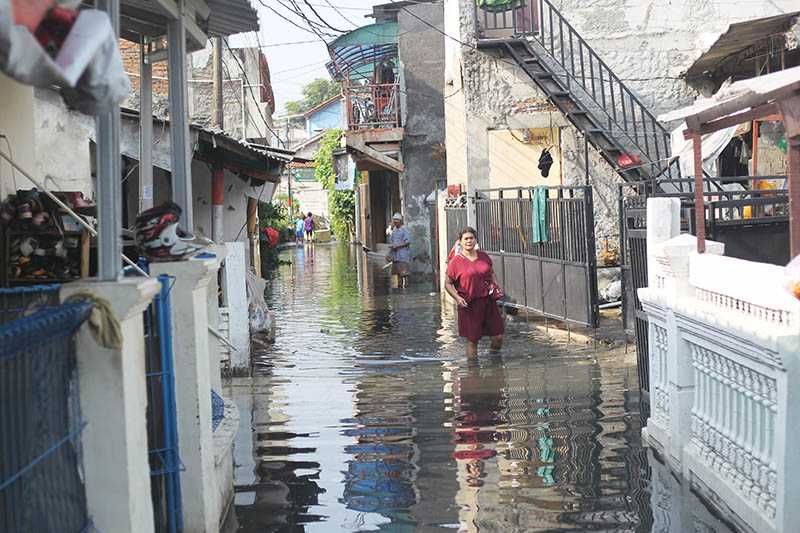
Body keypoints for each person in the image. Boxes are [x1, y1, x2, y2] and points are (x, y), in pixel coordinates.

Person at [444, 227, 504, 358]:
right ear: (460, 241)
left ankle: (494, 361)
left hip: (488, 302)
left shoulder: (483, 256)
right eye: (466, 238)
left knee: (498, 336)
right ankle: (473, 373)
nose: (469, 241)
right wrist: (457, 298)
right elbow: (447, 284)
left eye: (471, 238)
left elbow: (491, 273)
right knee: (473, 340)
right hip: (469, 304)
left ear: (475, 240)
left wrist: (496, 285)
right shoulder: (456, 262)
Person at [386, 212, 412, 288]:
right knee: (396, 274)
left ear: (400, 221)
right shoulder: (394, 230)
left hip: (403, 256)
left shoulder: (404, 230)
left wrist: (397, 246)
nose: (395, 223)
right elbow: (392, 243)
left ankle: (407, 288)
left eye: (396, 221)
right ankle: (398, 289)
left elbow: (407, 242)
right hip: (395, 257)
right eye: (394, 221)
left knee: (404, 274)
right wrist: (390, 253)